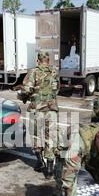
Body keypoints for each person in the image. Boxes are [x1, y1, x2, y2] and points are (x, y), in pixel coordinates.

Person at [19, 51, 59, 179]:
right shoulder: (54, 72)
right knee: (50, 137)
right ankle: (50, 169)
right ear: (48, 60)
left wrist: (21, 95)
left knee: (36, 136)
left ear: (38, 60)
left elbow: (27, 89)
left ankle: (40, 161)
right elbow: (57, 88)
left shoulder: (33, 72)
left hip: (37, 109)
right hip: (51, 109)